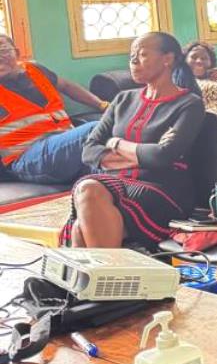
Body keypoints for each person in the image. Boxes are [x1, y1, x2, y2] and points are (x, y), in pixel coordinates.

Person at [61, 32, 205, 250]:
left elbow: (162, 156)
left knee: (89, 190)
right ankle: (109, 279)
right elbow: (89, 151)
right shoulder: (123, 99)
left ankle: (107, 279)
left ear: (168, 59)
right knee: (82, 224)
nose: (134, 61)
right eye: (132, 56)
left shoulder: (189, 104)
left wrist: (115, 143)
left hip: (162, 192)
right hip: (115, 187)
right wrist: (142, 157)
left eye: (143, 54)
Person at [0, 33, 107, 184]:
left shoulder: (35, 70)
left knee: (117, 169)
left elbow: (67, 86)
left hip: (63, 147)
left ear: (16, 53)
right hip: (27, 158)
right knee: (97, 129)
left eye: (3, 50)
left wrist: (103, 105)